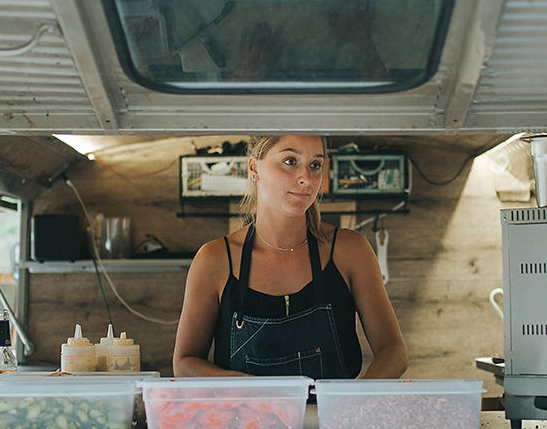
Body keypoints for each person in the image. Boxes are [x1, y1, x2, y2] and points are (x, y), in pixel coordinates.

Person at [173, 134, 408, 379]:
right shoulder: (215, 259)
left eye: (315, 165)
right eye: (289, 161)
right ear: (254, 168)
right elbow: (185, 363)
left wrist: (353, 401)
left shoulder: (350, 250)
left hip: (331, 416)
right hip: (246, 416)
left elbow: (393, 350)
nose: (306, 178)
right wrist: (245, 388)